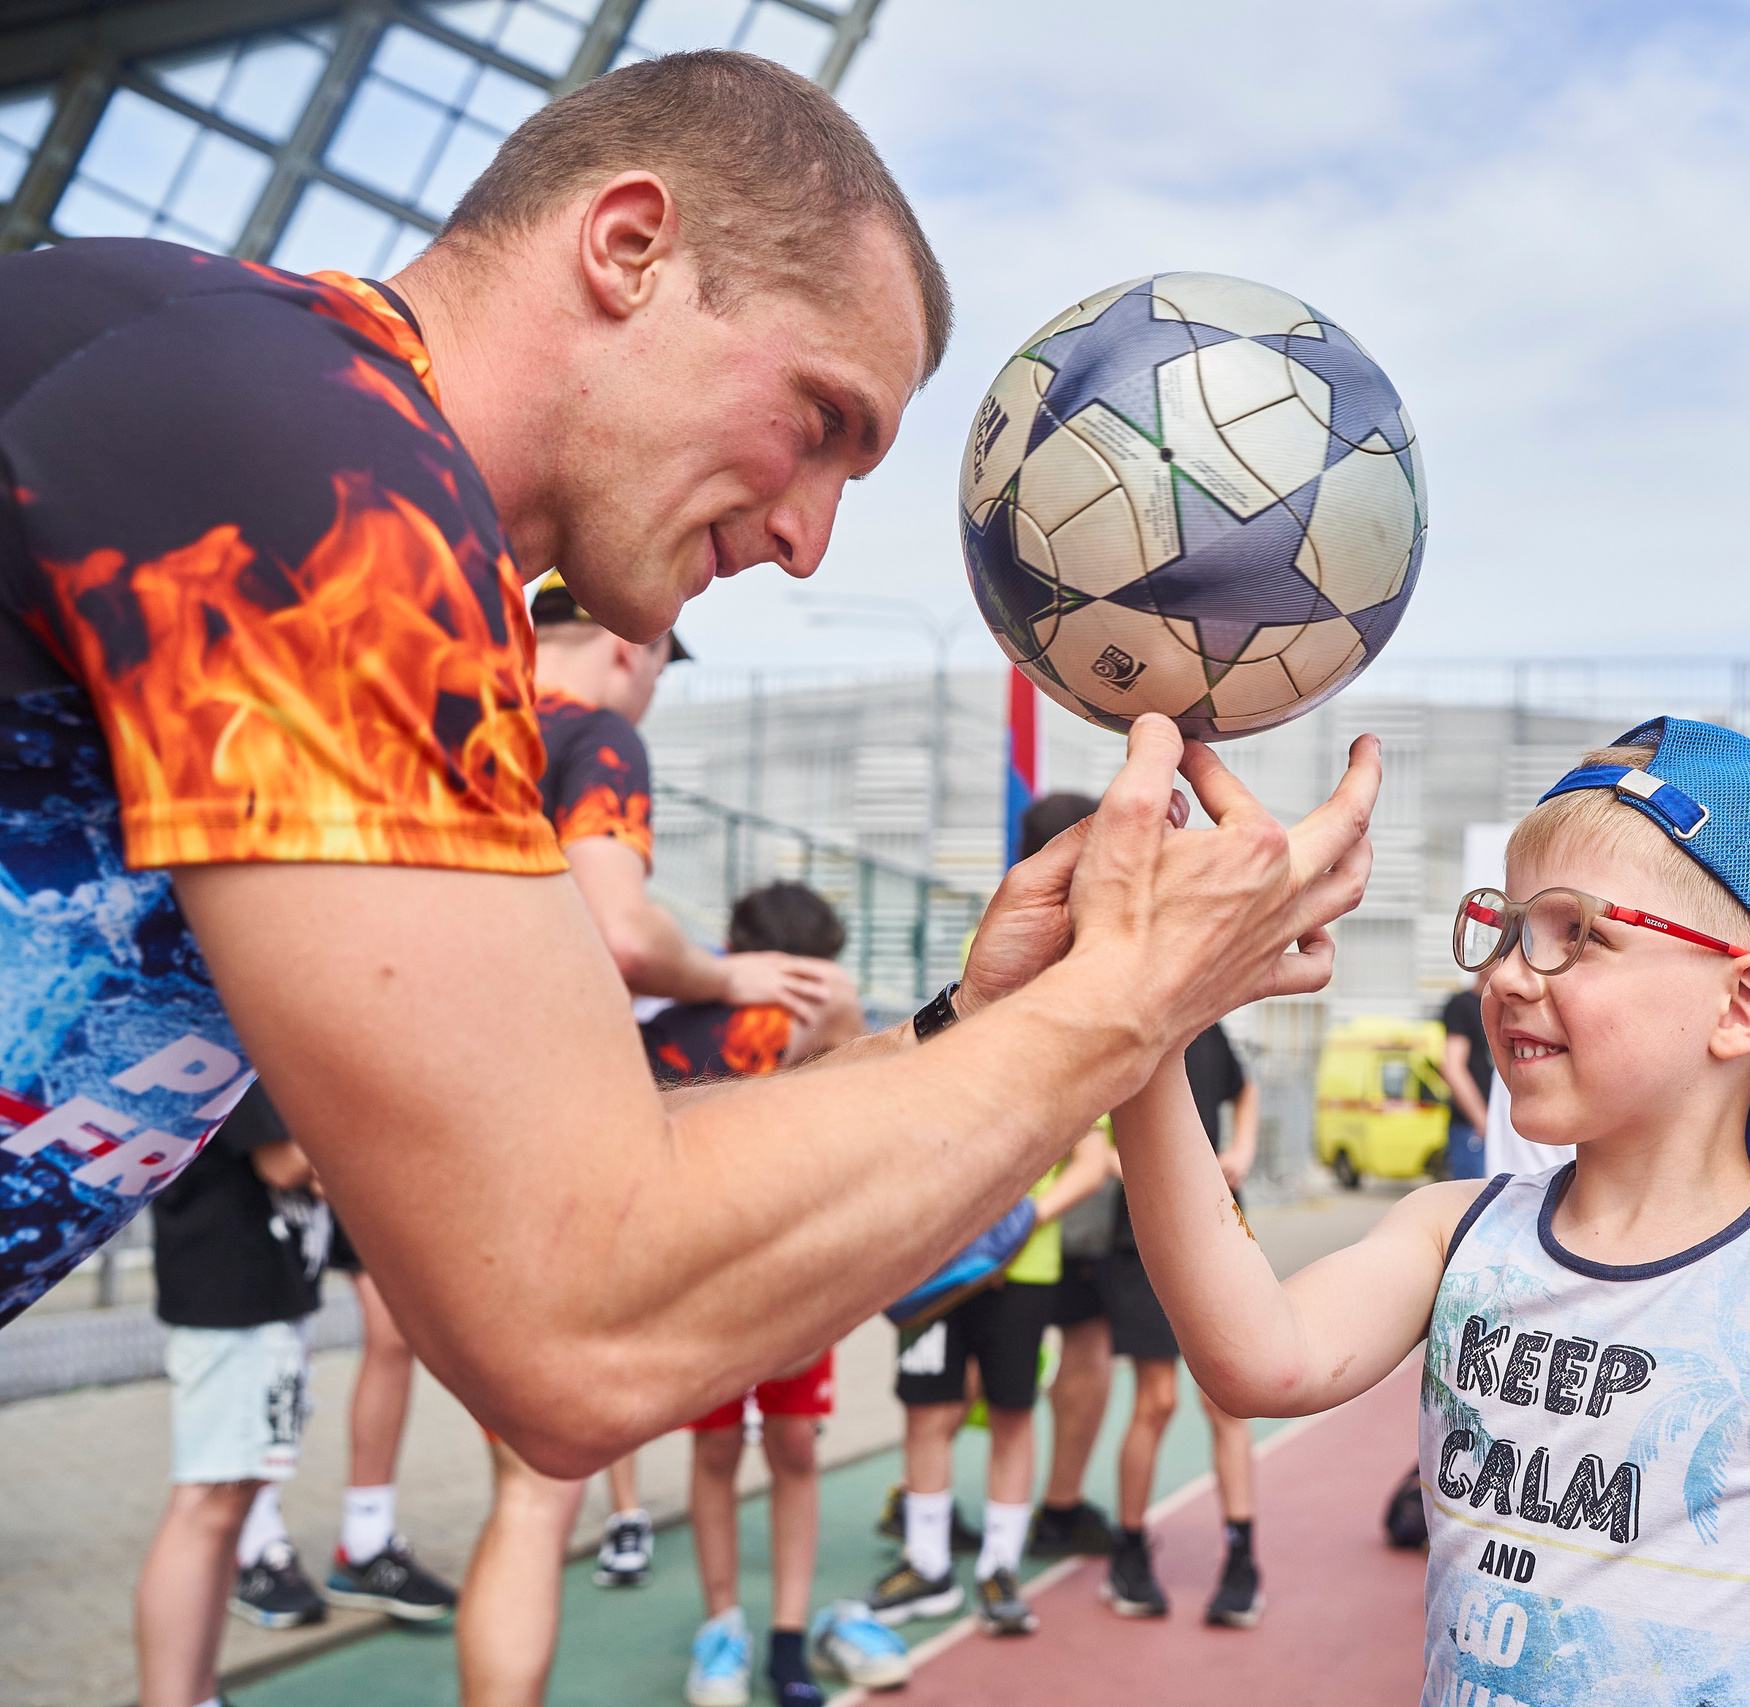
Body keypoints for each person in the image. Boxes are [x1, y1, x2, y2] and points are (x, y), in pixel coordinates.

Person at [0, 48, 1381, 1494]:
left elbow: (591, 1172)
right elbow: (573, 1323)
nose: (810, 539)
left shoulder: (331, 469)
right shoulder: (315, 464)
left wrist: (978, 1016)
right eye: (820, 423)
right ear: (629, 246)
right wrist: (1134, 995)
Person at [1115, 719, 1750, 1707]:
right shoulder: (1455, 1235)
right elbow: (1255, 1357)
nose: (1506, 974)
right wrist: (1139, 1015)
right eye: (1507, 927)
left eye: (1578, 933)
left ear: (1742, 1005)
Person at [456, 583, 858, 1706]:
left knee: (527, 1499)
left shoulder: (450, 725)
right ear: (634, 651)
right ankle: (750, 1630)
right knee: (555, 1495)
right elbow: (623, 935)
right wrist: (729, 977)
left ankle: (737, 1628)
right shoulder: (595, 740)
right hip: (579, 1168)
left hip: (453, 1140)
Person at [637, 883, 886, 1706]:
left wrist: (838, 1038)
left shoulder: (837, 1032)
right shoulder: (675, 1031)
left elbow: (857, 1147)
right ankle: (728, 1630)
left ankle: (781, 1633)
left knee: (789, 1446)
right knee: (733, 1450)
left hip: (790, 1278)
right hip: (717, 1275)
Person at [1035, 1020, 1269, 1628]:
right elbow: (1078, 1132)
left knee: (1229, 1402)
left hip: (1219, 1229)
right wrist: (1135, 1165)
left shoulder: (1213, 1027)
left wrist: (1241, 1150)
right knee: (1157, 1401)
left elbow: (1246, 1089)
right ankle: (1130, 1550)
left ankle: (1241, 1561)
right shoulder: (1131, 1030)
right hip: (1139, 1238)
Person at [869, 1125, 1112, 1636]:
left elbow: (1091, 1164)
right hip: (933, 1263)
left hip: (1023, 1270)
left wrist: (1014, 1228)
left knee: (1011, 1411)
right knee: (927, 1411)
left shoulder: (1060, 1054)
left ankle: (999, 1568)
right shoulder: (924, 1044)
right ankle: (928, 1565)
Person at [134, 1083, 328, 1707]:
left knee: (229, 1502)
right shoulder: (241, 1025)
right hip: (228, 1291)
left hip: (256, 1287)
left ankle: (195, 1692)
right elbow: (290, 1161)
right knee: (207, 1503)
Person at [229, 1220, 459, 1630]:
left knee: (396, 1327)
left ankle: (366, 1542)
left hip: (361, 1161)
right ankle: (253, 1543)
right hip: (274, 1171)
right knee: (276, 1330)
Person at [1439, 966, 1495, 1179]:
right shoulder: (1462, 1005)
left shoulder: (1507, 1008)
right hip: (1472, 1129)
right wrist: (1483, 1122)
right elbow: (1453, 1068)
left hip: (1501, 1127)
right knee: (1476, 1203)